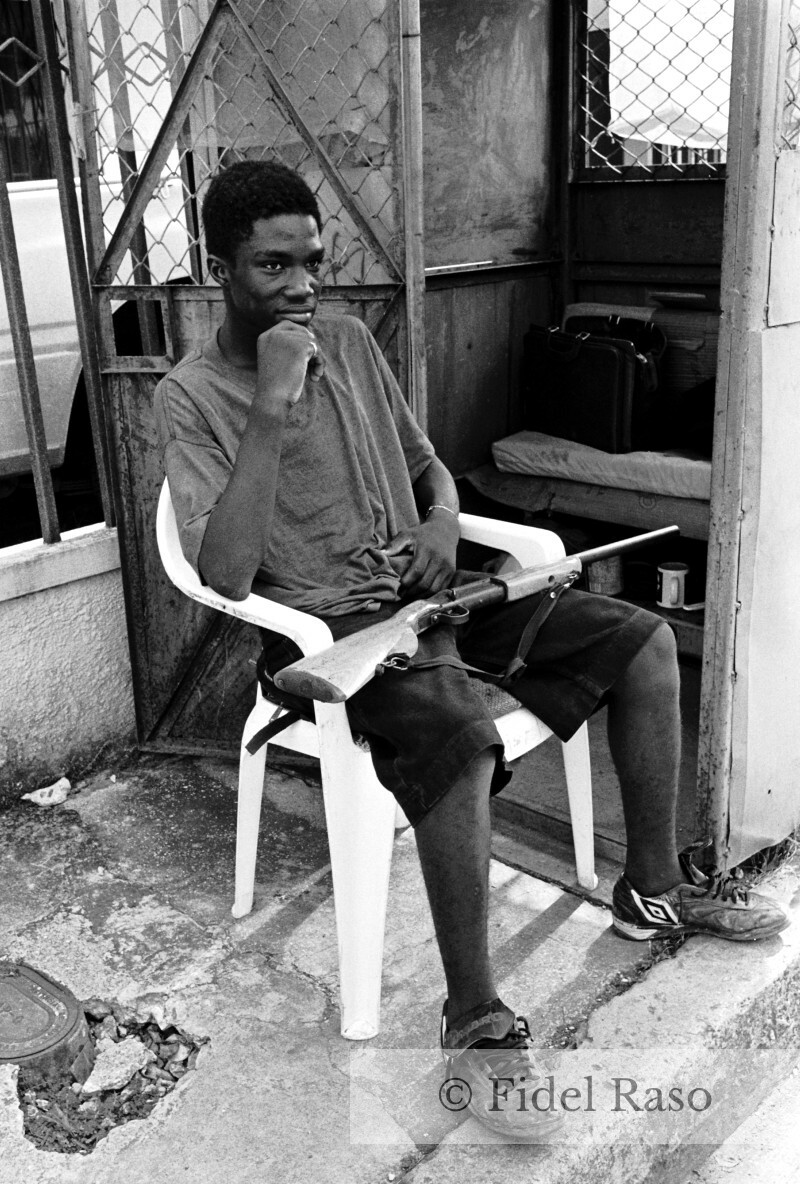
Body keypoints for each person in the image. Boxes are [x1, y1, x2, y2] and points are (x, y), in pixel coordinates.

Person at [155, 160, 789, 1142]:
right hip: (333, 638)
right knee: (462, 736)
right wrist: (272, 407)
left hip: (434, 598)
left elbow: (428, 469)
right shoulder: (190, 396)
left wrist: (444, 522)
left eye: (312, 262)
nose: (300, 286)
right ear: (217, 269)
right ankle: (476, 1023)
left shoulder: (348, 340)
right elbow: (228, 575)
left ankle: (652, 888)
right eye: (272, 265)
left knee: (644, 642)